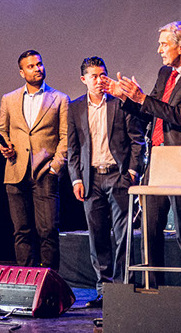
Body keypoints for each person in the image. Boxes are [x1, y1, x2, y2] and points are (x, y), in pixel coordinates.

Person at [102, 20, 181, 291]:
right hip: (159, 157)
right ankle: (153, 289)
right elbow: (149, 111)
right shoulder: (164, 73)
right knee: (150, 226)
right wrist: (125, 98)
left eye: (164, 44)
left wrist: (142, 98)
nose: (159, 50)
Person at [68, 56, 146, 306]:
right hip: (90, 178)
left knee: (123, 235)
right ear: (84, 79)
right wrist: (76, 179)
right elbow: (73, 148)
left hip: (118, 176)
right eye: (94, 76)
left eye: (103, 75)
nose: (100, 80)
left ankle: (123, 290)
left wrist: (132, 172)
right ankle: (104, 290)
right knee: (97, 236)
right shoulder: (75, 107)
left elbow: (137, 140)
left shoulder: (119, 103)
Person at [0, 50, 69, 269]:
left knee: (48, 231)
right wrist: (4, 146)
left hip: (45, 172)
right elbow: (0, 129)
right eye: (31, 66)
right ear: (22, 72)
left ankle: (49, 280)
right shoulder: (9, 99)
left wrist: (55, 167)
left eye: (39, 64)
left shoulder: (59, 98)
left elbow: (66, 136)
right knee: (21, 231)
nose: (37, 68)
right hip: (16, 171)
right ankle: (26, 280)